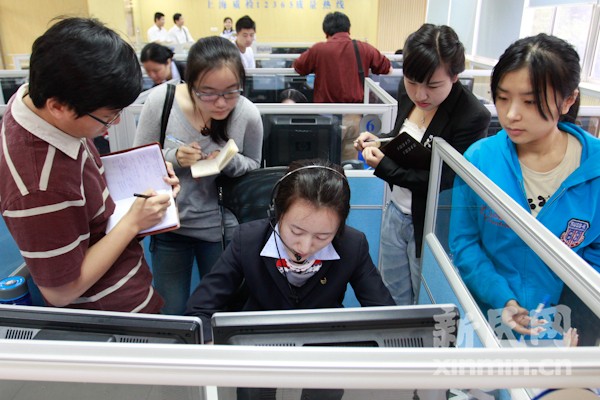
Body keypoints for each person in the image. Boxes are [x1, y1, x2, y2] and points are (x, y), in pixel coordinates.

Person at [0, 17, 180, 312]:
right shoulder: (38, 186)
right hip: (110, 314)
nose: (115, 123)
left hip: (125, 280)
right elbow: (61, 292)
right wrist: (134, 221)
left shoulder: (36, 102)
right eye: (107, 117)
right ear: (58, 107)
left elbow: (81, 187)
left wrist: (147, 174)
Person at [449, 34, 600, 340]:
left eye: (530, 102)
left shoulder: (594, 169)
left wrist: (577, 324)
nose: (511, 114)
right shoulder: (481, 159)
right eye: (503, 98)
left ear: (568, 100)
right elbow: (464, 243)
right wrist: (502, 298)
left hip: (562, 329)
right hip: (490, 316)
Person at [354, 24, 491, 305]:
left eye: (433, 85)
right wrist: (379, 141)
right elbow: (404, 139)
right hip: (395, 211)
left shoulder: (471, 115)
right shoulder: (409, 93)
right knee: (392, 293)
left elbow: (446, 180)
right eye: (412, 81)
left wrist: (385, 167)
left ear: (455, 76)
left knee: (423, 297)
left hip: (430, 222)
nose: (420, 94)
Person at [185, 158, 395, 338]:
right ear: (277, 212)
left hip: (323, 345)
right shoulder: (247, 240)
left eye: (322, 236)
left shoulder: (352, 245)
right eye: (296, 231)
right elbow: (199, 310)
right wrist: (210, 342)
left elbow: (386, 317)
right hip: (257, 344)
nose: (305, 247)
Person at [134, 36, 263, 315]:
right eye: (208, 93)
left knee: (219, 312)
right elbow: (139, 162)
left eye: (231, 92)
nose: (221, 103)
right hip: (171, 226)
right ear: (191, 83)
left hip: (222, 229)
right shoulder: (161, 101)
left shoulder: (247, 114)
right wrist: (174, 157)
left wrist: (228, 162)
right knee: (171, 311)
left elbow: (254, 165)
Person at [293, 11, 392, 104]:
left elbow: (298, 66)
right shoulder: (364, 48)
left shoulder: (318, 49)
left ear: (326, 33)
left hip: (325, 110)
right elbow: (388, 69)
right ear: (349, 30)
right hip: (355, 110)